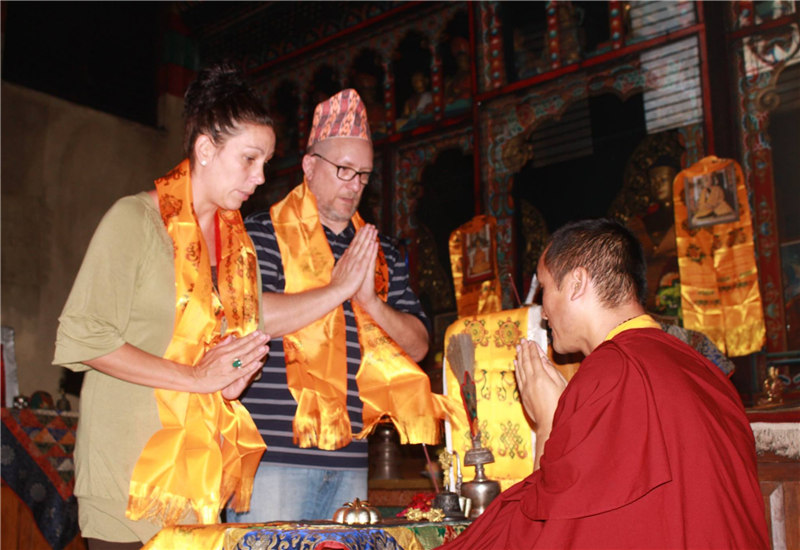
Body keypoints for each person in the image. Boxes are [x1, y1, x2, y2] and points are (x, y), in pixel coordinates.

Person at [437, 218, 768, 550]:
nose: (543, 312)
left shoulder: (611, 373)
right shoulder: (704, 369)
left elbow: (544, 526)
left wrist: (549, 424)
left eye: (545, 289)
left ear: (577, 282)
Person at [53, 63, 275, 548]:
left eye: (265, 163)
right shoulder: (134, 221)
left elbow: (213, 358)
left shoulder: (239, 249)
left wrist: (231, 376)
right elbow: (83, 337)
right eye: (250, 159)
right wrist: (196, 378)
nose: (260, 177)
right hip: (127, 476)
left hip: (198, 478)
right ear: (204, 149)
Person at [237, 89, 454, 522]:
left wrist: (369, 298)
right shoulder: (261, 234)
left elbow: (416, 344)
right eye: (344, 170)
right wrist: (336, 291)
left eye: (364, 175)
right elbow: (252, 317)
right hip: (272, 459)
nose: (355, 185)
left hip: (352, 458)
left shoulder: (379, 251)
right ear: (309, 166)